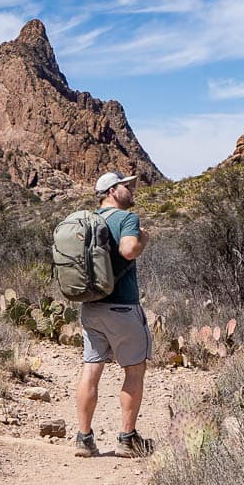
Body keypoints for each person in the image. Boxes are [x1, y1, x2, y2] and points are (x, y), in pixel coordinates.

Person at [74, 171, 154, 458]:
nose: (130, 189)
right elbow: (129, 250)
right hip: (122, 307)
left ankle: (84, 438)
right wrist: (143, 239)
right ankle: (127, 439)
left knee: (91, 369)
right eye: (125, 185)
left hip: (91, 308)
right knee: (134, 369)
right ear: (111, 191)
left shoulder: (88, 221)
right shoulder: (126, 219)